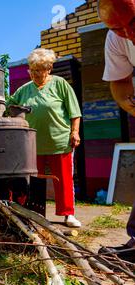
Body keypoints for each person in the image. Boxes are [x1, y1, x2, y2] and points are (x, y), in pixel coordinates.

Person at [7, 48, 83, 228]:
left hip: (59, 141)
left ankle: (68, 214)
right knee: (32, 181)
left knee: (64, 180)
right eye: (32, 70)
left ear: (49, 69)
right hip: (33, 144)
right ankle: (32, 214)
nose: (35, 74)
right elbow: (9, 106)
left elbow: (74, 111)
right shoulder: (24, 90)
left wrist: (75, 131)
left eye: (39, 70)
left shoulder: (60, 84)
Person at [98, 0, 135, 261]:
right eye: (118, 28)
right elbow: (121, 82)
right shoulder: (116, 38)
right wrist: (130, 105)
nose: (128, 34)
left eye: (132, 24)